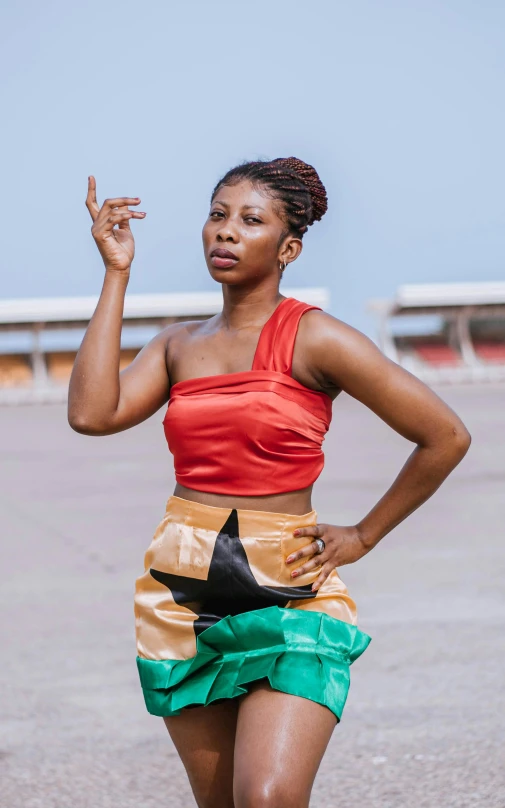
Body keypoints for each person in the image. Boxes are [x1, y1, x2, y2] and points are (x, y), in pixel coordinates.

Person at [68, 157, 471, 808]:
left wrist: (364, 534)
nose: (225, 232)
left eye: (249, 220)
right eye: (217, 215)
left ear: (288, 248)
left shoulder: (317, 338)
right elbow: (91, 414)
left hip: (290, 587)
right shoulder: (176, 345)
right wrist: (117, 274)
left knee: (266, 798)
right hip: (182, 592)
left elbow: (444, 435)